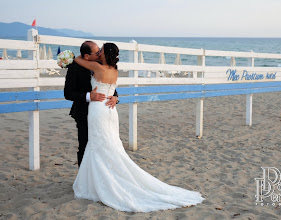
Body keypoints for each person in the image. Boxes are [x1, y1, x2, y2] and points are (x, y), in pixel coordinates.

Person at [72, 42, 204, 212]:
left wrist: (77, 57)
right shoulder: (114, 70)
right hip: (111, 111)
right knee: (109, 145)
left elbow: (78, 59)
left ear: (105, 55)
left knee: (99, 146)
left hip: (99, 109)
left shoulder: (98, 68)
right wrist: (115, 98)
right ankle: (103, 179)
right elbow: (112, 91)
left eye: (101, 51)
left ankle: (100, 183)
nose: (99, 53)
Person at [64, 41, 119, 167]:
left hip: (103, 112)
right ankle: (84, 181)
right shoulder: (75, 67)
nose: (100, 53)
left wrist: (116, 98)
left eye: (100, 50)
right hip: (83, 112)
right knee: (85, 145)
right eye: (97, 51)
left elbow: (112, 89)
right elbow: (68, 93)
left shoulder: (103, 65)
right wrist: (89, 96)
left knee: (106, 144)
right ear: (87, 56)